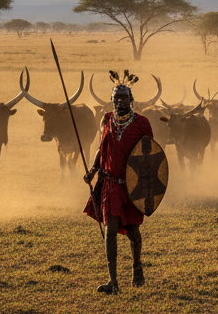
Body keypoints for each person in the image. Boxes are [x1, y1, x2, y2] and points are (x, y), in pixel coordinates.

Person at [83, 70, 154, 294]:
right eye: (116, 99)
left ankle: (137, 266)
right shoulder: (107, 120)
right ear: (113, 100)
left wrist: (145, 185)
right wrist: (94, 169)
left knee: (133, 232)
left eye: (124, 98)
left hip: (131, 187)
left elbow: (149, 155)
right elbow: (101, 147)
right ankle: (113, 282)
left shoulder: (142, 123)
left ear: (131, 100)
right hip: (110, 185)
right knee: (110, 229)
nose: (120, 102)